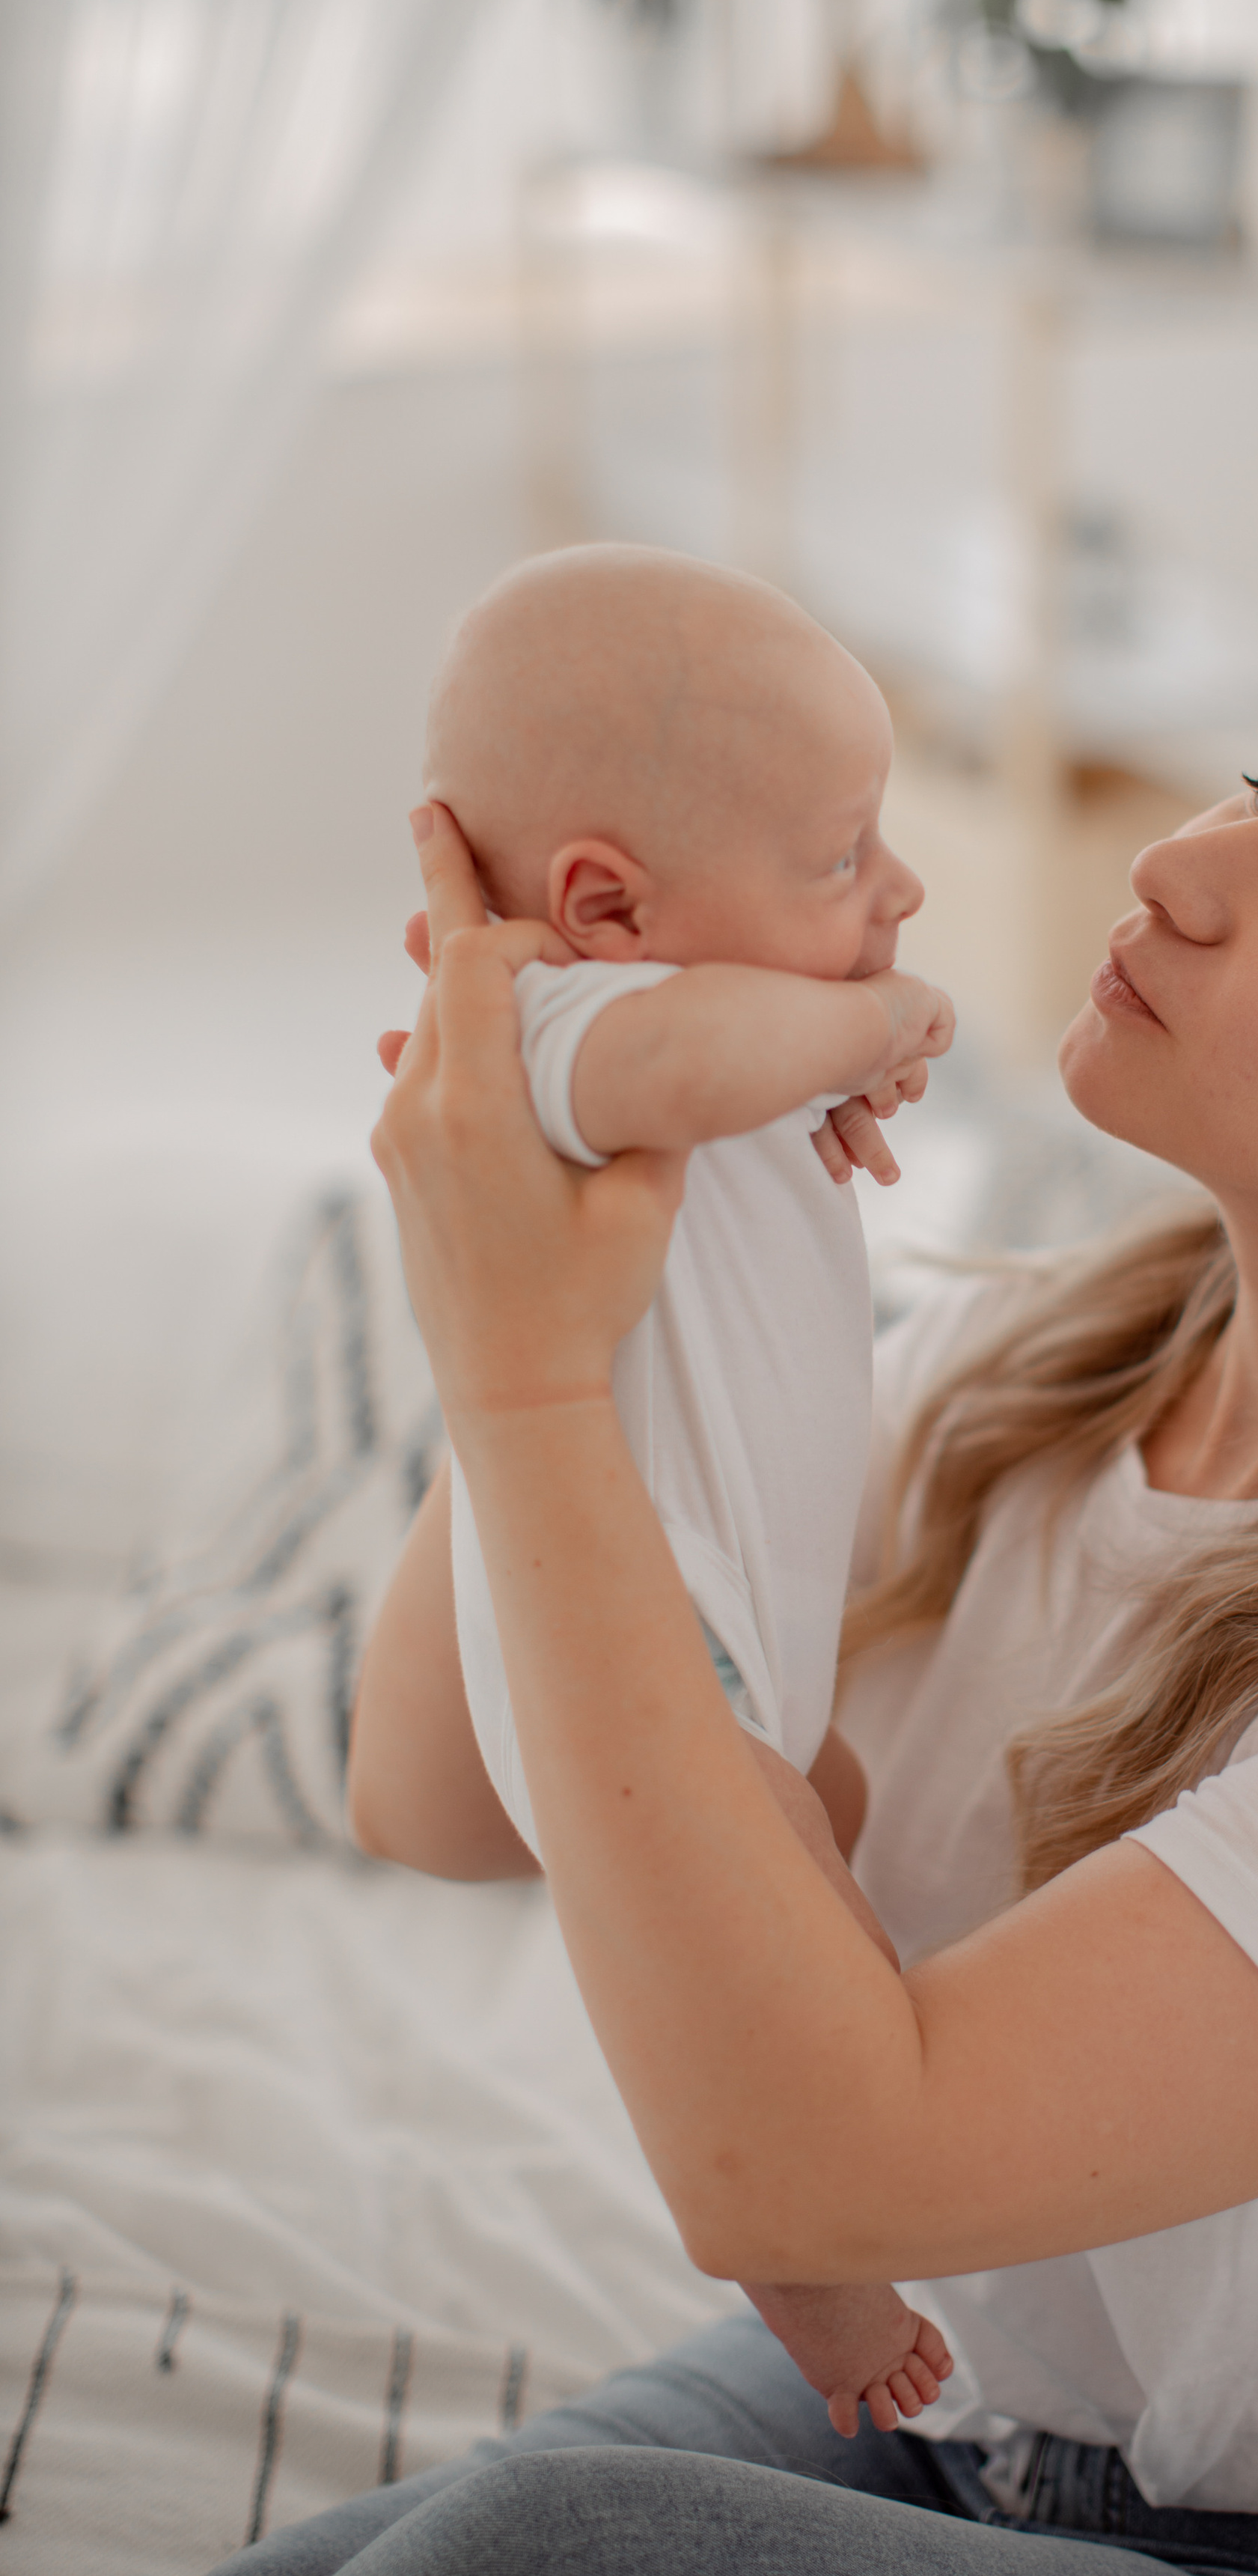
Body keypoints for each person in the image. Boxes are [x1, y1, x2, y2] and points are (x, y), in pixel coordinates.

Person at [90, 594, 1258, 2576]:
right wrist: (592, 1277)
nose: (1177, 863)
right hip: (1003, 2427)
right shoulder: (1017, 1389)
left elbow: (802, 2177)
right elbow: (438, 1796)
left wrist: (521, 1372)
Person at [391, 543, 959, 2436]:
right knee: (778, 1937)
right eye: (841, 856)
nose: (898, 893)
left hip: (729, 1634)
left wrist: (827, 1047)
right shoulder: (554, 1021)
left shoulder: (686, 1041)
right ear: (605, 906)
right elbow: (704, 1057)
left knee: (839, 1832)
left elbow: (735, 1071)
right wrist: (866, 1027)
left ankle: (854, 2134)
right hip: (636, 1634)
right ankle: (805, 2257)